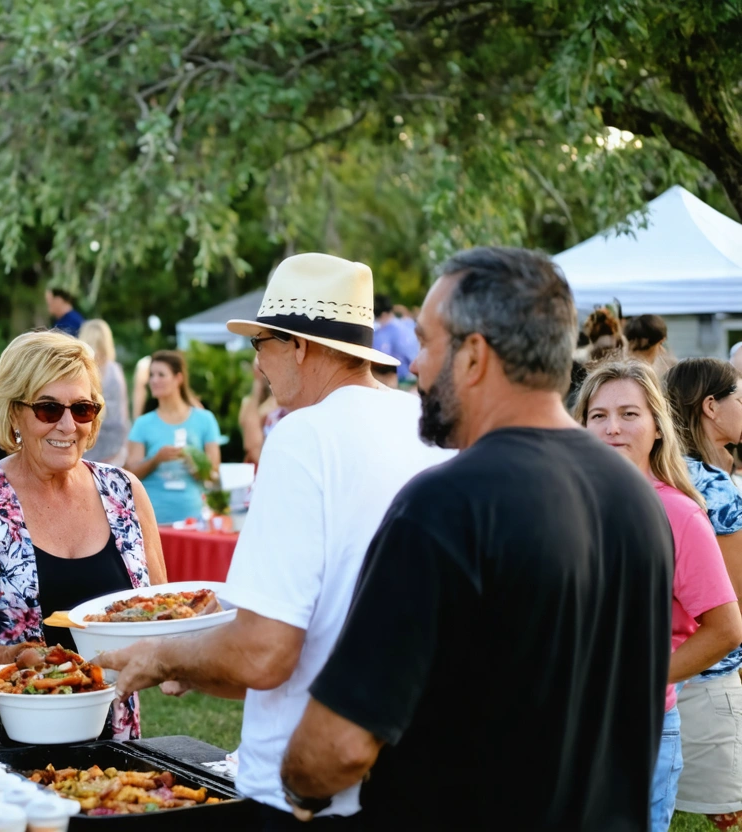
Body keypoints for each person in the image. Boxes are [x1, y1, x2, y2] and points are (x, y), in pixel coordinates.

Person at [277, 247, 674, 831]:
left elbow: (336, 746)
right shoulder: (638, 498)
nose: (412, 365)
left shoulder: (445, 506)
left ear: (474, 357)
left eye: (427, 342)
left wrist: (298, 785)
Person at [97, 252, 451, 829]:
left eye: (262, 342)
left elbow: (265, 652)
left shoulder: (302, 435)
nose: (258, 363)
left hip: (311, 788)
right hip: (410, 768)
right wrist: (197, 657)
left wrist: (161, 653)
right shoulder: (425, 426)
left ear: (300, 345)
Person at [0, 330, 167, 749]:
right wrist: (10, 658)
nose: (68, 425)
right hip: (3, 747)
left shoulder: (125, 492)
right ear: (14, 412)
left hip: (115, 741)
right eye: (48, 409)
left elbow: (162, 612)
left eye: (83, 408)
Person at [574, 359, 742, 832]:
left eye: (629, 414)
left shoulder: (678, 513)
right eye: (598, 415)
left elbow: (726, 629)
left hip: (637, 728)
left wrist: (640, 679)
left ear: (657, 428)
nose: (612, 428)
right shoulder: (566, 504)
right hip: (566, 722)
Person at [665, 357, 742, 830]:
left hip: (674, 667)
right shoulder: (715, 489)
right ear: (711, 407)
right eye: (740, 396)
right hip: (710, 677)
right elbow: (736, 600)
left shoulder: (672, 474)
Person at [125, 350, 221, 525]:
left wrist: (197, 466)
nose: (154, 380)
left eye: (161, 375)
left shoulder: (205, 419)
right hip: (153, 520)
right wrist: (156, 459)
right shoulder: (143, 424)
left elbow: (213, 472)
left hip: (194, 520)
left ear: (178, 378)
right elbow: (129, 472)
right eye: (151, 375)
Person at [79, 319, 130, 466]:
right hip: (114, 441)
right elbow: (123, 408)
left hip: (87, 438)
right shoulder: (115, 370)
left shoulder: (81, 369)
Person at [371, 293, 417, 380]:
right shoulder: (408, 325)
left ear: (383, 315)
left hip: (397, 379)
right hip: (411, 377)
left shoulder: (383, 333)